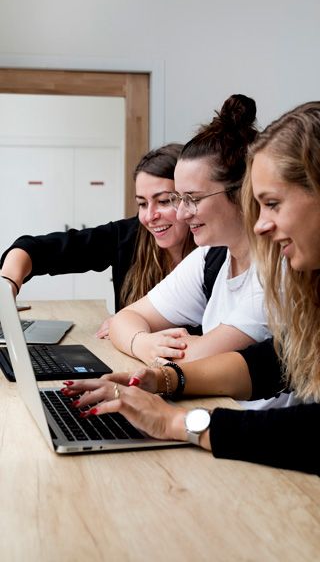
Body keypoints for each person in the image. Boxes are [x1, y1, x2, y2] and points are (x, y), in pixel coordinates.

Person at [61, 100, 320, 475]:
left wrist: (178, 423)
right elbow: (275, 362)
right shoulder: (285, 274)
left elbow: (311, 428)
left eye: (272, 204)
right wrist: (163, 377)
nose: (261, 224)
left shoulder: (282, 269)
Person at [108, 94, 272, 364]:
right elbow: (123, 320)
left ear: (242, 193)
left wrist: (152, 343)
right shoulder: (211, 257)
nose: (182, 214)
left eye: (193, 199)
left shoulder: (276, 272)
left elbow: (195, 358)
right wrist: (145, 343)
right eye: (179, 199)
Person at [0, 144, 195, 337]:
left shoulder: (213, 256)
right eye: (142, 204)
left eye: (163, 201)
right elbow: (35, 250)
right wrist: (8, 284)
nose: (150, 216)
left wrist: (126, 326)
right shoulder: (128, 235)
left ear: (189, 198)